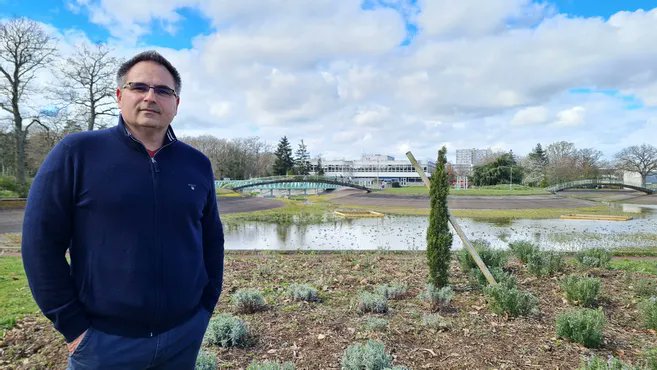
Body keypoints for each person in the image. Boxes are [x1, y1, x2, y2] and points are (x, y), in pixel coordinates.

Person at [21, 50, 225, 369]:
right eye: (139, 87)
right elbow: (39, 244)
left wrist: (205, 306)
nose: (150, 97)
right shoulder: (76, 153)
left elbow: (212, 238)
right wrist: (73, 328)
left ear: (176, 104)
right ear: (119, 96)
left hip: (184, 334)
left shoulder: (197, 164)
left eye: (163, 90)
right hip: (104, 344)